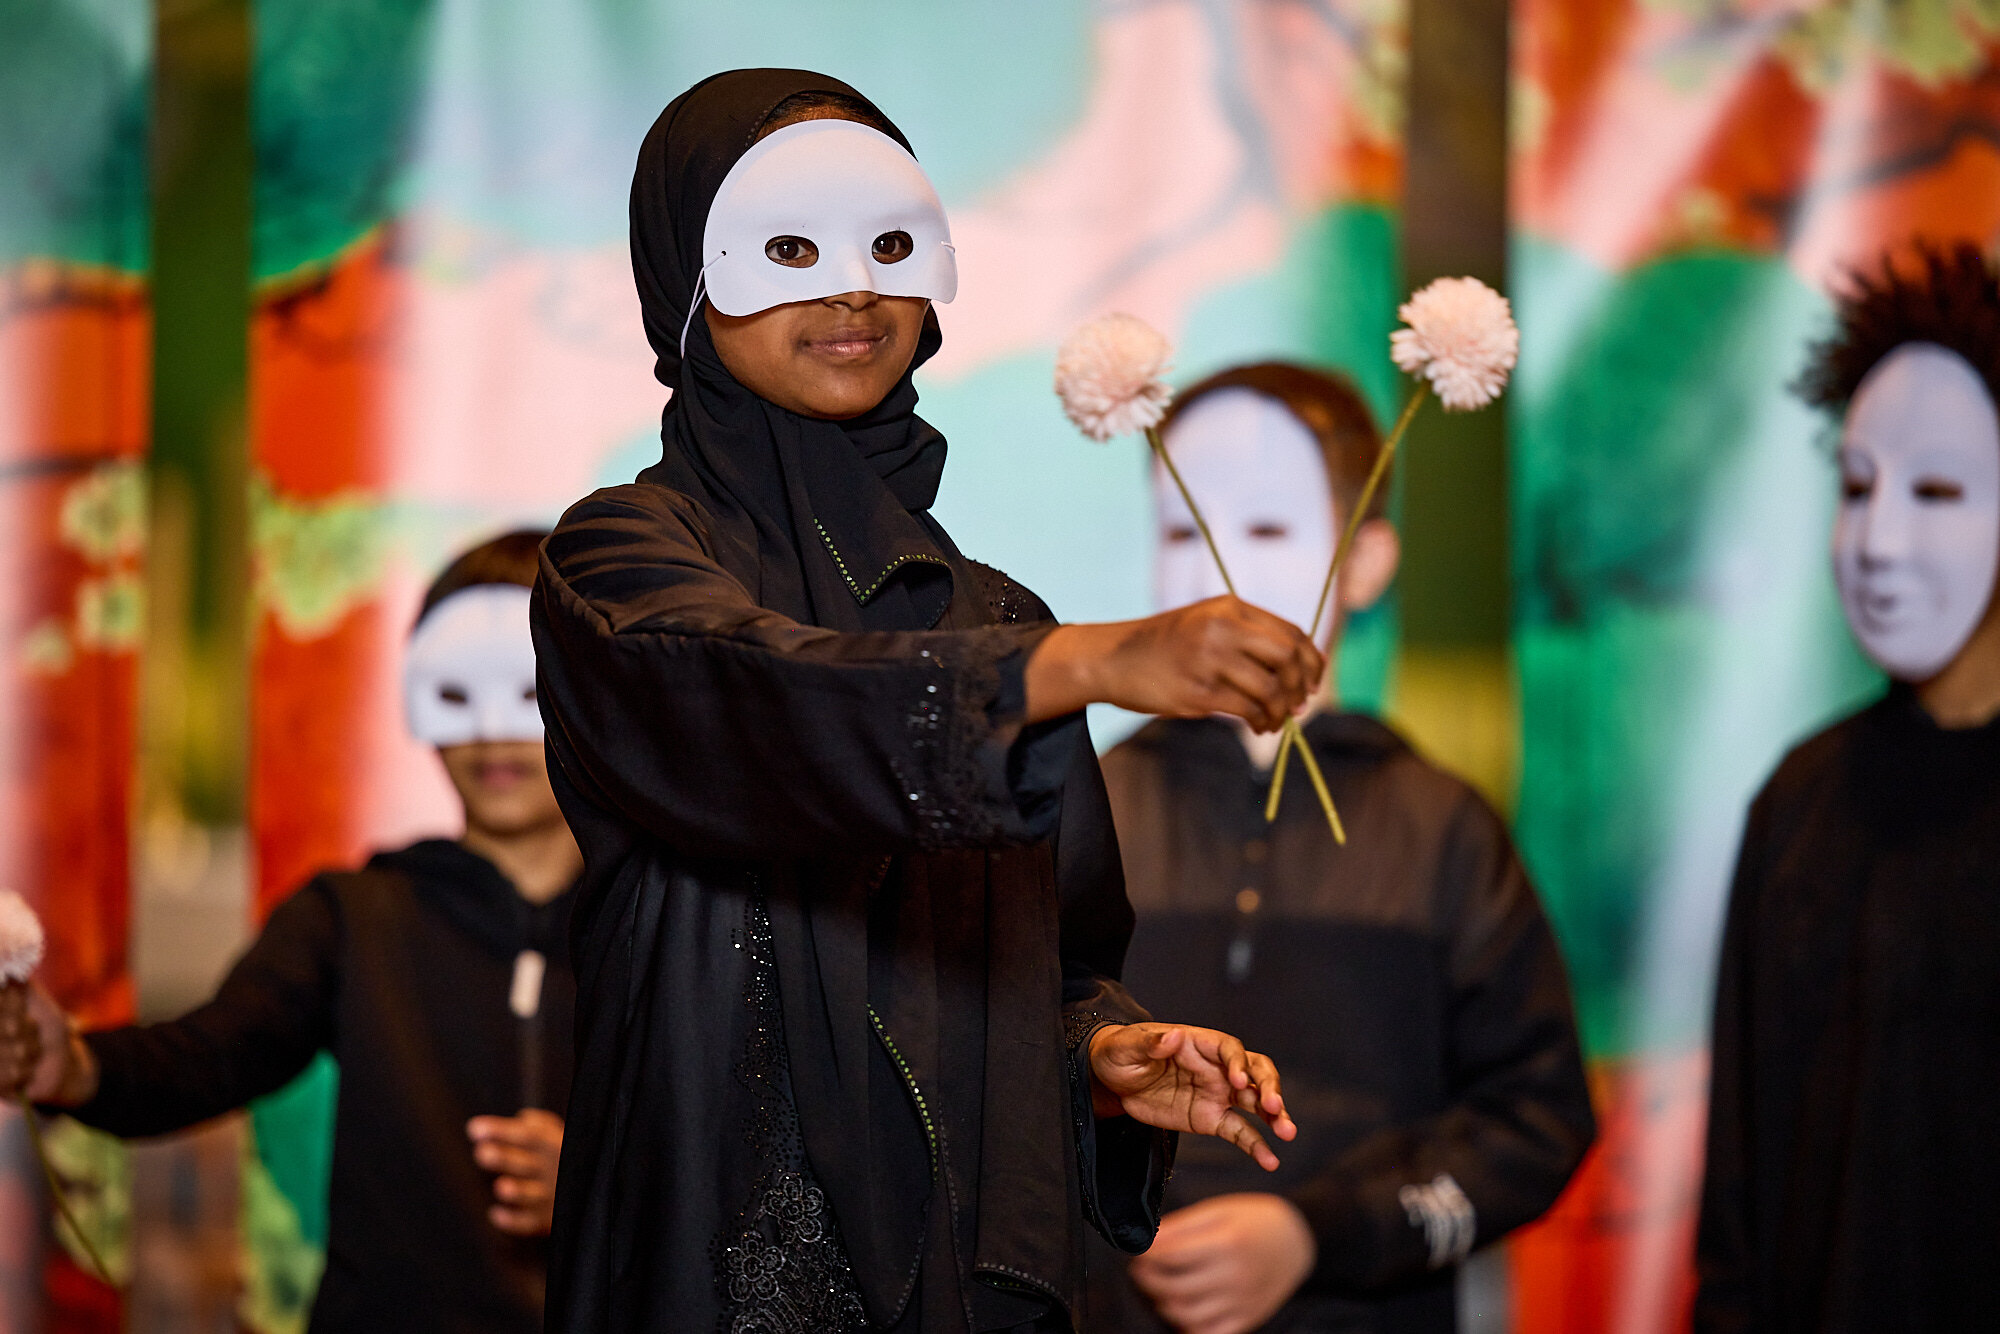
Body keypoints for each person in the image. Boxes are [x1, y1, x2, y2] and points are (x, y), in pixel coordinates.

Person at [532, 70, 1315, 1334]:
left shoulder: (994, 616)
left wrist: (1098, 1056)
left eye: (886, 244)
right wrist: (1086, 665)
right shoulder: (619, 560)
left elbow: (1052, 954)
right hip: (710, 1265)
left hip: (964, 1278)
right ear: (686, 271)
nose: (850, 290)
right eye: (785, 246)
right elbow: (753, 703)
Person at [1089, 364, 1595, 1334]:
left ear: (1364, 560)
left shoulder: (1439, 827)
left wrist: (1320, 1231)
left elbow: (1536, 1116)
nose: (1213, 575)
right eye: (1180, 529)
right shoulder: (1084, 803)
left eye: (1269, 528)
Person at [0, 530, 581, 1334]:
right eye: (455, 692)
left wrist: (606, 1187)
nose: (490, 734)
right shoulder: (356, 918)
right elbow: (211, 1055)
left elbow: (764, 1155)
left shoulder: (670, 931)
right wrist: (77, 1067)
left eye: (526, 690)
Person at [1694, 244, 2000, 1333]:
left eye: (1936, 490)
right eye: (1856, 485)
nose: (1878, 539)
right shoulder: (1799, 799)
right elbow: (1736, 1181)